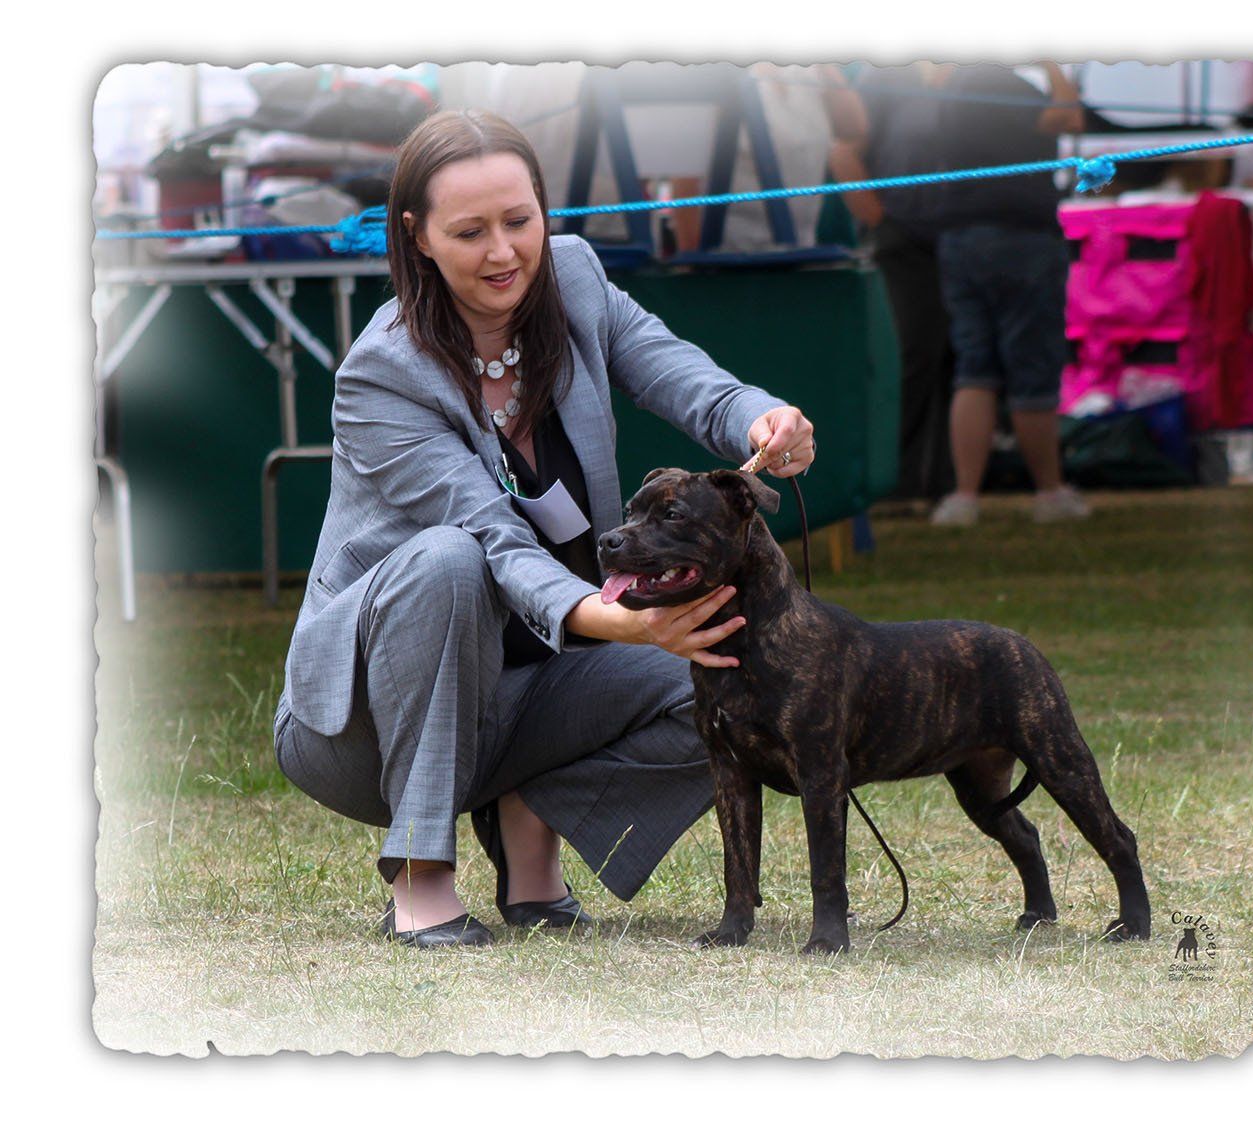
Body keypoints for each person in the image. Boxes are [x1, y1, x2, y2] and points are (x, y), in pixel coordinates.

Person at [272, 109, 815, 948]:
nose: (503, 252)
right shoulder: (382, 375)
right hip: (358, 730)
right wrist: (621, 620)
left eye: (519, 221)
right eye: (470, 232)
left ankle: (530, 822)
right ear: (416, 236)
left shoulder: (578, 278)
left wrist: (760, 417)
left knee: (731, 665)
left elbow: (676, 369)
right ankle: (420, 874)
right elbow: (493, 538)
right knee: (449, 561)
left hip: (525, 696)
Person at [924, 62, 1091, 526]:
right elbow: (1069, 117)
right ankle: (1050, 493)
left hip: (960, 238)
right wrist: (1051, 63)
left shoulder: (952, 88)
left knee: (974, 368)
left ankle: (964, 496)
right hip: (1021, 238)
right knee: (1031, 365)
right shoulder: (1006, 85)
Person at [828, 62, 956, 502]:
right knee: (911, 358)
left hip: (953, 240)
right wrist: (881, 222)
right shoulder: (886, 78)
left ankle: (938, 483)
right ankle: (894, 484)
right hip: (901, 242)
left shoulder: (967, 77)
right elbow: (843, 154)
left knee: (950, 361)